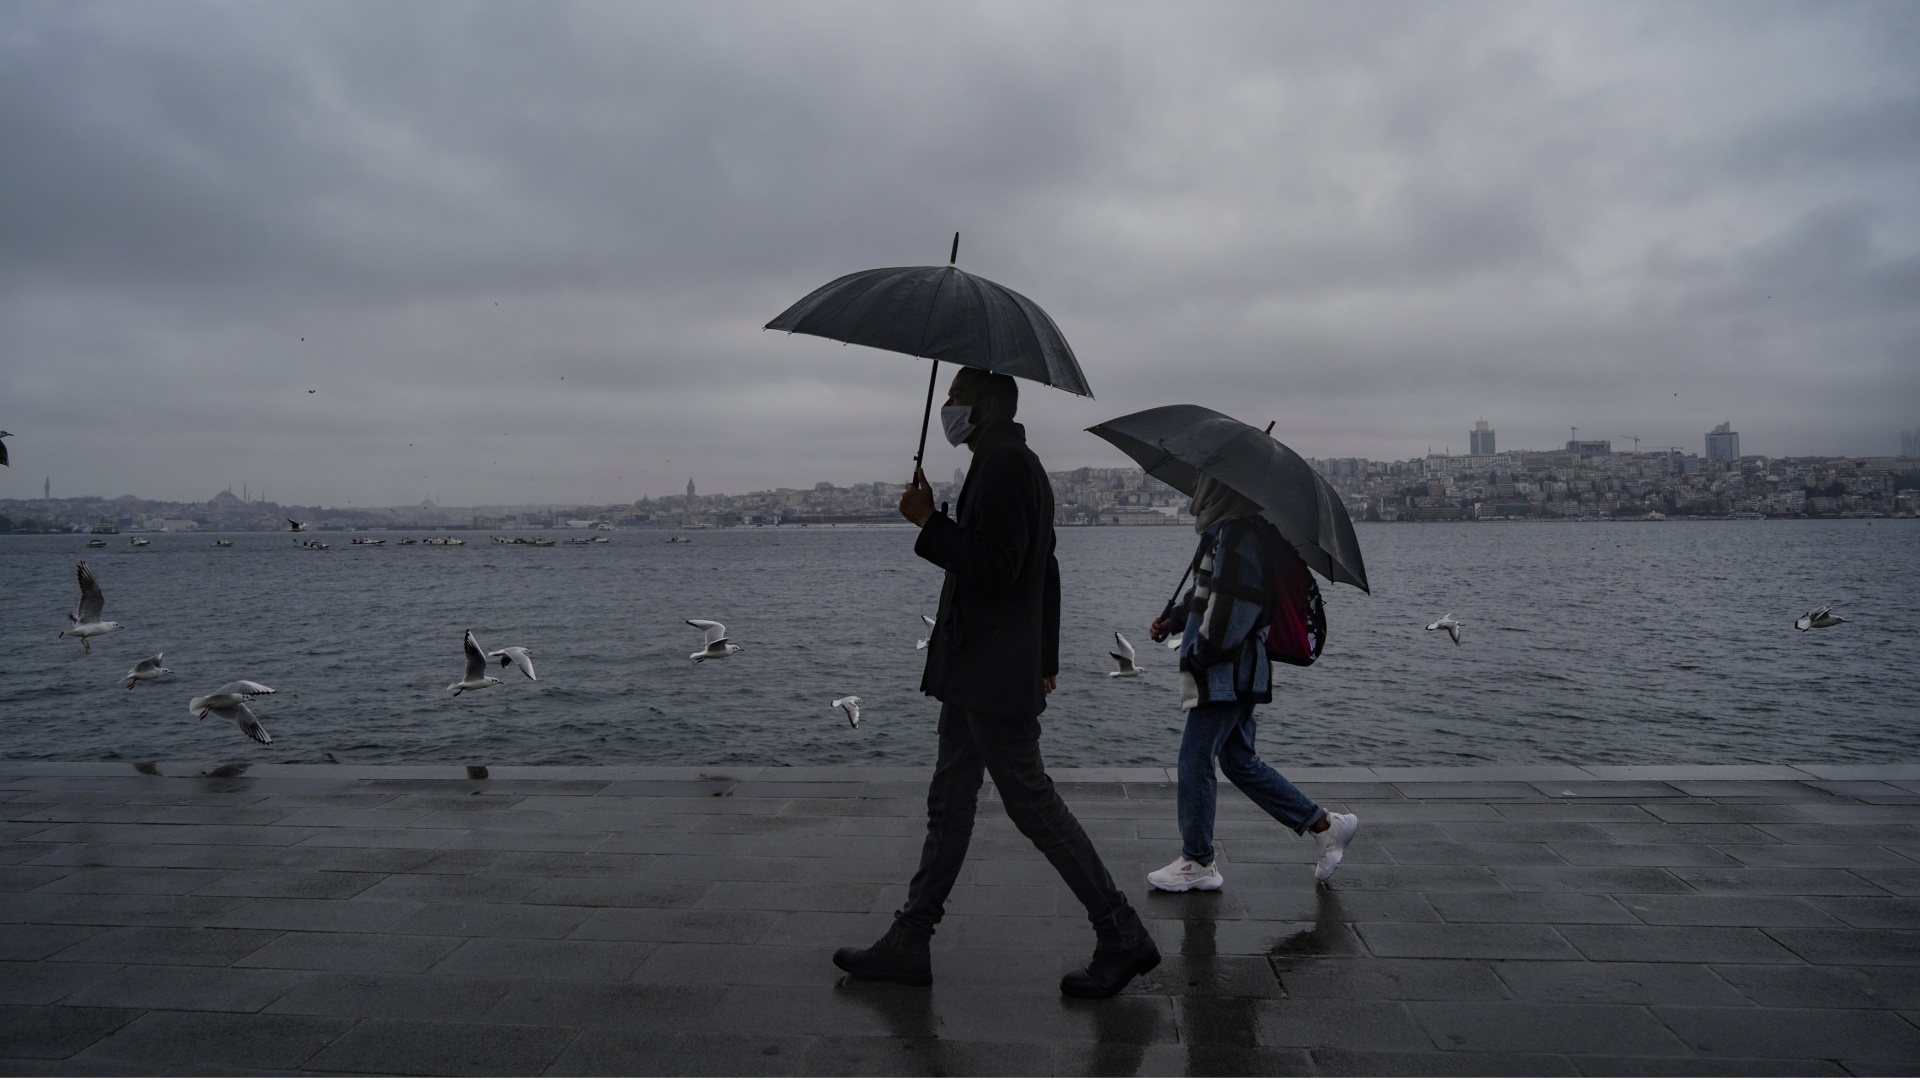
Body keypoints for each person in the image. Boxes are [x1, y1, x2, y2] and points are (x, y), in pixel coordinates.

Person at [833, 366, 1160, 999]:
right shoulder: (1003, 460)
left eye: (955, 398)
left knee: (1031, 803)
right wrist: (1047, 655)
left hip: (989, 670)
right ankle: (909, 939)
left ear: (984, 406)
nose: (947, 408)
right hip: (981, 668)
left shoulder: (1008, 465)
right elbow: (1047, 568)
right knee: (949, 803)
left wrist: (928, 523)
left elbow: (999, 566)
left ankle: (1121, 934)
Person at [1144, 473, 1358, 892]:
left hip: (1228, 673)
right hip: (1240, 671)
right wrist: (1175, 619)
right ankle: (1324, 826)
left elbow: (1237, 605)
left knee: (1195, 758)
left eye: (1206, 483)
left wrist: (1199, 654)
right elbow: (1210, 593)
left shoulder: (1239, 533)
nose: (1198, 490)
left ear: (1220, 490)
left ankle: (1198, 861)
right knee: (1239, 761)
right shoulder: (1227, 530)